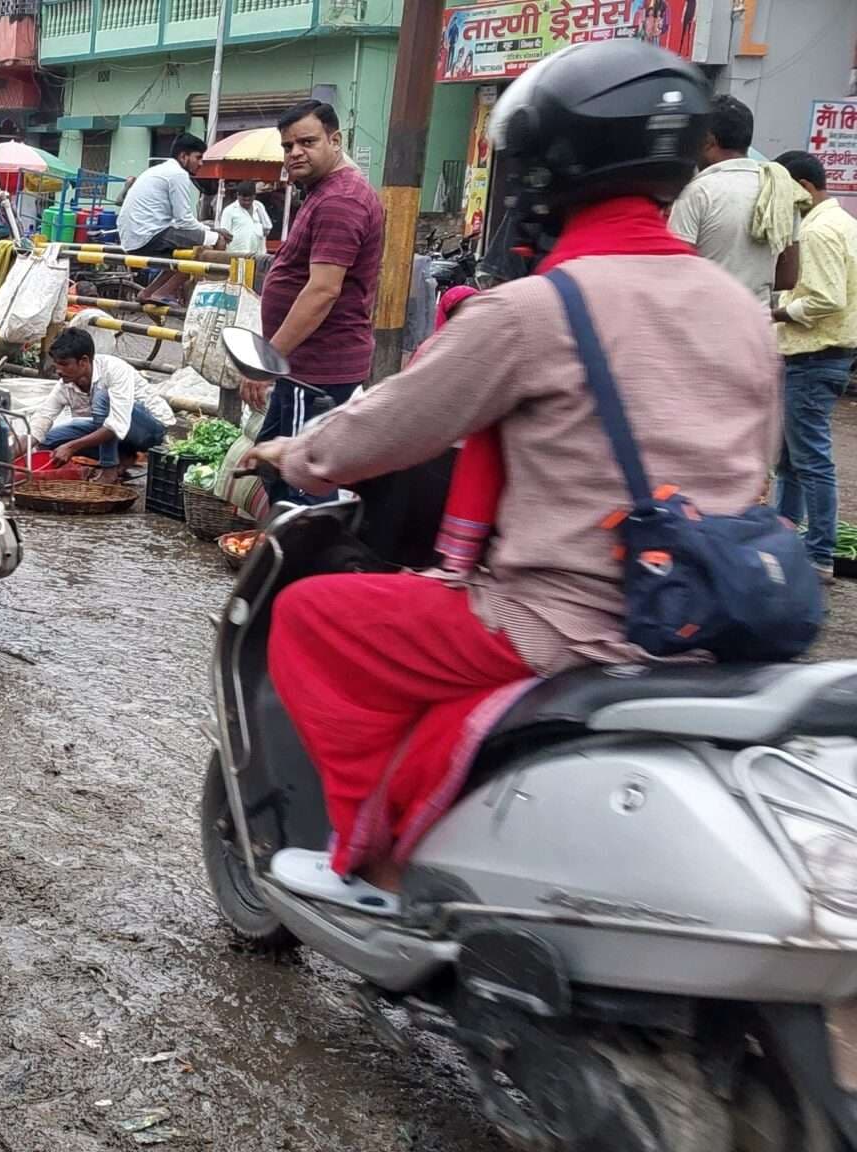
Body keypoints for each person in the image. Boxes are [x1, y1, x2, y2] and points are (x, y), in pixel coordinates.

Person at [241, 40, 781, 910]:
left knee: (310, 616)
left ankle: (368, 861)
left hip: (562, 621)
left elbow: (394, 422)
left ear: (543, 173)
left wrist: (293, 452)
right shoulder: (739, 310)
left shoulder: (535, 308)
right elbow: (755, 462)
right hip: (711, 612)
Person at [254, 101, 383, 422]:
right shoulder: (324, 191)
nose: (295, 152)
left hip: (317, 374)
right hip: (303, 369)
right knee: (274, 465)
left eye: (307, 142)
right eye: (288, 145)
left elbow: (323, 290)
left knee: (293, 469)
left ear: (335, 141)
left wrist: (267, 362)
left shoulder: (340, 199)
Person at [768, 149, 855, 573]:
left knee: (809, 460)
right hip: (827, 353)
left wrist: (778, 310)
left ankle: (818, 552)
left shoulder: (818, 231)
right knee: (792, 460)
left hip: (812, 354)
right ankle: (788, 538)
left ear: (802, 188)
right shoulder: (844, 224)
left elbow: (825, 297)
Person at [668, 94, 799, 302]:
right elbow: (789, 277)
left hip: (707, 324)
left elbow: (675, 273)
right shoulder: (779, 190)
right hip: (758, 324)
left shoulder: (697, 192)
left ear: (708, 141)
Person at [37, 330, 175, 474]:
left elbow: (117, 424)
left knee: (102, 397)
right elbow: (41, 421)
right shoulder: (65, 384)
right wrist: (13, 453)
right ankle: (124, 455)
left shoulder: (114, 369)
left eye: (64, 364)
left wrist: (71, 447)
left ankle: (109, 467)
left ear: (83, 362)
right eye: (57, 364)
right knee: (48, 439)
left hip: (150, 430)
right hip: (115, 430)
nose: (58, 370)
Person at [118, 134, 217, 303]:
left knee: (187, 256)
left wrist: (205, 229)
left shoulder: (158, 170)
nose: (201, 163)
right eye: (198, 157)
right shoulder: (178, 174)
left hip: (133, 237)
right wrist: (212, 231)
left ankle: (148, 293)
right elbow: (184, 220)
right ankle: (167, 294)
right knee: (217, 241)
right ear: (183, 156)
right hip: (148, 236)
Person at [219, 182, 271, 258]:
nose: (247, 200)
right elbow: (224, 234)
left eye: (249, 198)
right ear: (237, 195)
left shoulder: (259, 206)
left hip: (258, 255)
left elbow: (267, 227)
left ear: (254, 196)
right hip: (237, 255)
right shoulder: (229, 211)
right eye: (243, 198)